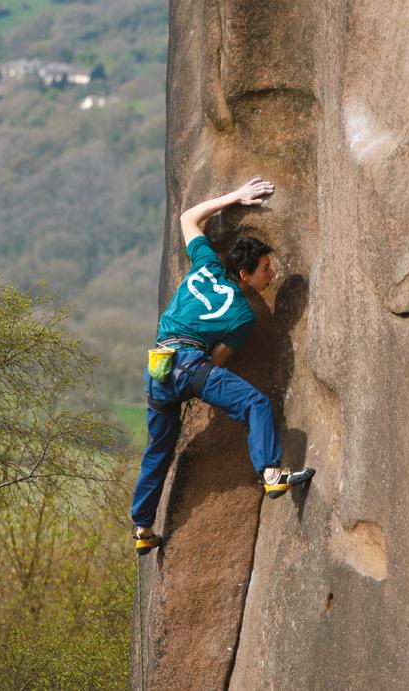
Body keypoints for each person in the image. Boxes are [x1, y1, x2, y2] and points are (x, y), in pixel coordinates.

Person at [131, 177, 315, 555]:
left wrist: (236, 197)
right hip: (190, 365)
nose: (271, 274)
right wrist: (197, 381)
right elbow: (216, 361)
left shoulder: (205, 264)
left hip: (158, 369)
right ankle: (271, 473)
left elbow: (188, 218)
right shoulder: (242, 316)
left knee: (157, 452)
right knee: (255, 403)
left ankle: (142, 529)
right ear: (245, 275)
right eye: (265, 269)